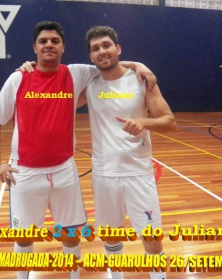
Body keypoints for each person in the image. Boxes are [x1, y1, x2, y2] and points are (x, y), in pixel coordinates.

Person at [0, 21, 157, 279]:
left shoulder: (76, 74)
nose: (49, 45)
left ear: (63, 47)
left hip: (64, 171)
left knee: (71, 234)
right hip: (25, 172)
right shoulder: (19, 78)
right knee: (24, 238)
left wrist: (139, 65)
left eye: (55, 41)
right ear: (34, 47)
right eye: (43, 41)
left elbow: (110, 62)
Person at [78, 26, 176, 279]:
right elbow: (53, 86)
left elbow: (169, 121)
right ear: (90, 56)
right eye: (95, 48)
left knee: (152, 239)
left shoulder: (141, 80)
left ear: (118, 48)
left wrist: (144, 122)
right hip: (104, 173)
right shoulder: (89, 83)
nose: (102, 51)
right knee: (111, 236)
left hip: (138, 173)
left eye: (106, 45)